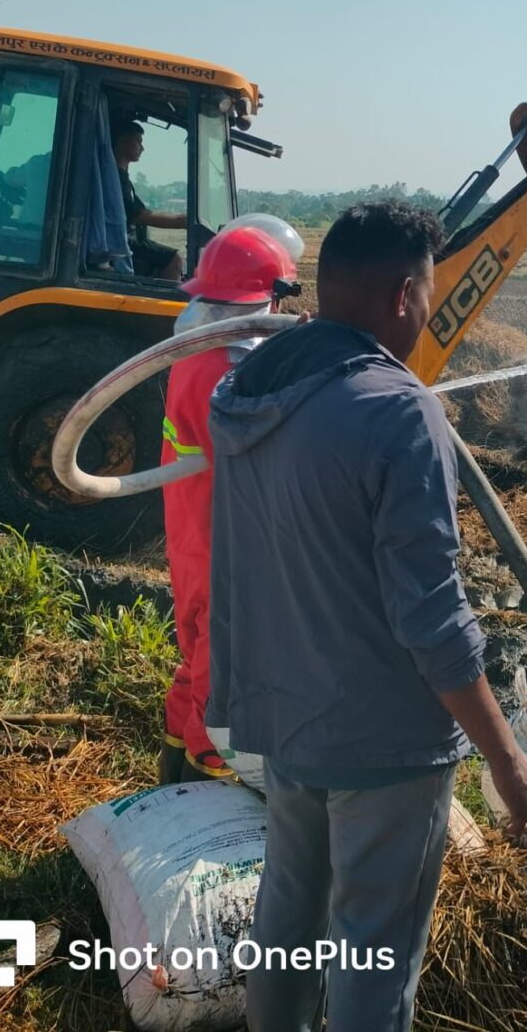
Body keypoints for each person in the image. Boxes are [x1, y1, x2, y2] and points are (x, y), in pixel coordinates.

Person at [205, 201, 527, 1032]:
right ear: (405, 294)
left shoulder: (249, 391)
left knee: (287, 922)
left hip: (286, 716)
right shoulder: (399, 410)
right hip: (384, 741)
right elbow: (432, 614)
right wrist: (507, 761)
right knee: (373, 948)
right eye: (431, 294)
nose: (432, 309)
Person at [159, 225, 300, 786]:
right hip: (229, 539)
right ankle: (204, 772)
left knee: (197, 650)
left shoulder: (193, 349)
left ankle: (172, 762)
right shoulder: (229, 370)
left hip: (193, 529)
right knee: (223, 665)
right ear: (270, 295)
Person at [113, 120, 185, 280]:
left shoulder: (123, 178)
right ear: (123, 140)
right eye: (138, 141)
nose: (142, 148)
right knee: (174, 260)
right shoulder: (114, 177)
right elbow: (139, 216)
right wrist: (182, 221)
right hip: (120, 241)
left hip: (126, 239)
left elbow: (143, 211)